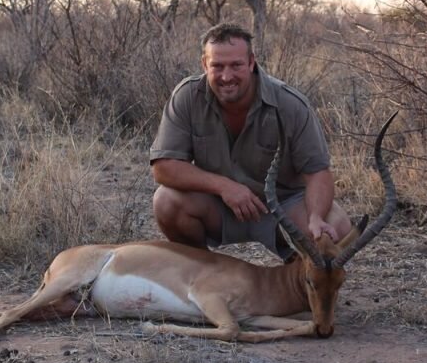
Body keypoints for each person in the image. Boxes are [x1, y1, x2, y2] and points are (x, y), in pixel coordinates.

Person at [150, 22, 351, 259]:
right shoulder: (186, 96)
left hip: (283, 208)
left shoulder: (290, 104)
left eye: (236, 65)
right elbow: (164, 168)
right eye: (217, 66)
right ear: (205, 64)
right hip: (219, 205)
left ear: (251, 61)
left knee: (335, 228)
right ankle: (205, 273)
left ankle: (298, 277)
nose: (227, 76)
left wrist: (316, 217)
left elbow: (318, 172)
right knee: (165, 201)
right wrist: (224, 186)